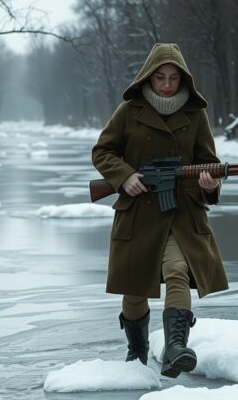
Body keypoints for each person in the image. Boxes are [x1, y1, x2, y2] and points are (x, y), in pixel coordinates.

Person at [91, 43, 228, 378]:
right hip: (138, 213)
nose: (167, 84)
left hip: (181, 214)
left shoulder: (196, 113)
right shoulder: (128, 110)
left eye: (173, 78)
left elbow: (206, 162)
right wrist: (125, 177)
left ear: (184, 79)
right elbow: (102, 151)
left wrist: (211, 184)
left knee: (178, 271)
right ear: (148, 78)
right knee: (135, 289)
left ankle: (176, 347)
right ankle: (137, 349)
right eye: (160, 77)